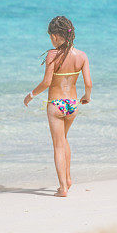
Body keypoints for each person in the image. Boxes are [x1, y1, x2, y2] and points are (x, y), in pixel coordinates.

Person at [24, 16, 92, 197]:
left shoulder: (52, 55)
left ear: (55, 36)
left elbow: (46, 82)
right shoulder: (82, 56)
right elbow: (89, 83)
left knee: (58, 145)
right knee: (64, 140)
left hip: (56, 104)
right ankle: (68, 179)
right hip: (72, 104)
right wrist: (86, 97)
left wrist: (30, 95)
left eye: (50, 36)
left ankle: (62, 188)